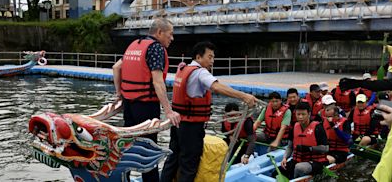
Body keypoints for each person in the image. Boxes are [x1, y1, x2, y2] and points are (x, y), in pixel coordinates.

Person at [160, 41, 259, 182]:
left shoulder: (183, 69)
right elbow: (217, 87)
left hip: (177, 124)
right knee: (189, 165)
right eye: (210, 57)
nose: (212, 61)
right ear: (199, 57)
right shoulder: (200, 72)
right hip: (191, 127)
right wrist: (244, 96)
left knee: (173, 158)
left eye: (213, 57)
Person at [112, 18, 181, 182]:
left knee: (127, 147)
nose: (172, 38)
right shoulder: (156, 48)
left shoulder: (134, 44)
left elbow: (116, 68)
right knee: (149, 150)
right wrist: (169, 111)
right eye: (170, 34)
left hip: (129, 104)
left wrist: (119, 94)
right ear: (159, 32)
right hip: (146, 106)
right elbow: (158, 81)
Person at [276, 101, 329, 179]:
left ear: (309, 114)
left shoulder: (318, 128)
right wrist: (285, 158)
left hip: (315, 162)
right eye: (298, 114)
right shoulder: (294, 127)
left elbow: (326, 148)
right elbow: (290, 147)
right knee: (277, 172)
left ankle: (293, 179)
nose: (300, 117)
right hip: (298, 160)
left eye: (303, 114)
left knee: (299, 168)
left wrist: (309, 148)